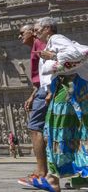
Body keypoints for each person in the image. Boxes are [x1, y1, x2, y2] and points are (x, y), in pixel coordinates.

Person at [33, 17, 88, 191]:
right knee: (72, 128)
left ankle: (53, 178)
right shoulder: (51, 43)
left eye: (37, 29)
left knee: (57, 127)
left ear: (48, 28)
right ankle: (70, 175)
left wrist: (53, 56)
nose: (35, 33)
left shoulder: (56, 39)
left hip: (70, 86)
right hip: (67, 86)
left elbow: (76, 54)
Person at [16, 23, 49, 187]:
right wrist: (32, 96)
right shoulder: (36, 46)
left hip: (47, 91)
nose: (19, 36)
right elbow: (41, 77)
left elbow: (51, 68)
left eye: (22, 32)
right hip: (42, 90)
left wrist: (49, 91)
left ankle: (41, 173)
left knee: (34, 128)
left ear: (32, 33)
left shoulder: (41, 45)